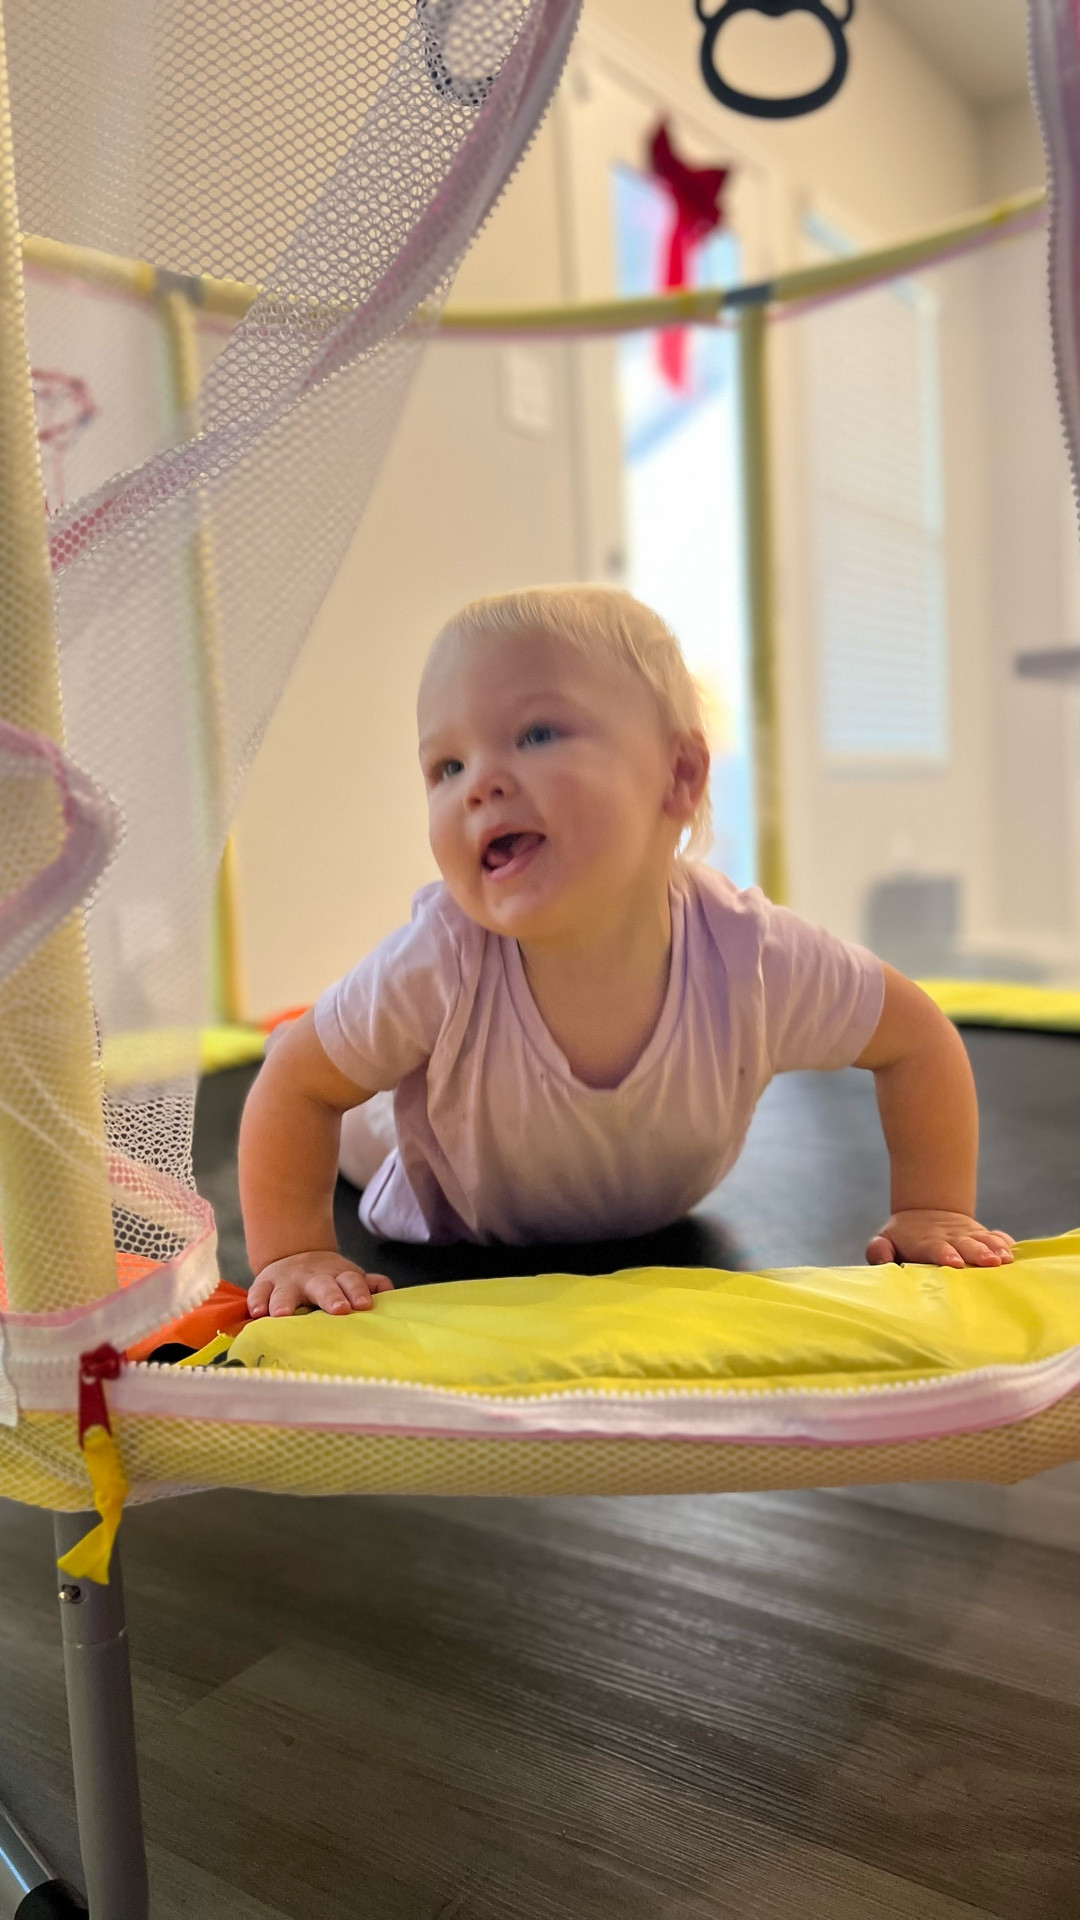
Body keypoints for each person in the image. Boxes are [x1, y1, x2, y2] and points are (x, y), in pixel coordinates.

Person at [239, 584, 1013, 1319]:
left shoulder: (751, 954)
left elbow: (916, 1039)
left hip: (634, 1197)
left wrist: (932, 1209)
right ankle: (317, 1031)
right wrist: (295, 1252)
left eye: (536, 734)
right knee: (342, 1097)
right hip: (437, 1173)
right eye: (447, 766)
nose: (478, 785)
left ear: (677, 775)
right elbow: (298, 1088)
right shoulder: (442, 959)